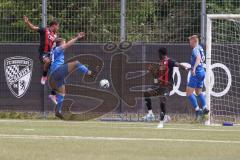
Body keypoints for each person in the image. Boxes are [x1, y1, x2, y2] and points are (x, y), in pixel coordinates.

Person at [49, 32, 99, 119]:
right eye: (64, 43)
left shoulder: (54, 51)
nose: (65, 44)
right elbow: (68, 44)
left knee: (62, 94)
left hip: (54, 75)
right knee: (76, 63)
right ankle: (90, 73)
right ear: (60, 44)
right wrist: (77, 38)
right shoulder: (57, 49)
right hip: (57, 71)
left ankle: (58, 111)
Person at [144, 47, 188, 128]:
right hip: (160, 86)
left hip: (168, 86)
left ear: (160, 54)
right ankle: (150, 114)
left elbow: (177, 64)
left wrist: (185, 68)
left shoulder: (169, 61)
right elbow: (157, 76)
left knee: (162, 100)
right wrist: (152, 72)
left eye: (158, 54)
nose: (158, 55)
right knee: (147, 92)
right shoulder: (160, 63)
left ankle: (161, 122)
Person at [23, 15, 59, 85]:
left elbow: (55, 45)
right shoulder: (44, 30)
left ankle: (54, 88)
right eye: (57, 26)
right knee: (47, 61)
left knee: (56, 68)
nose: (58, 28)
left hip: (50, 53)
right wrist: (27, 22)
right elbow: (33, 28)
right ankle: (44, 76)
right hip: (43, 53)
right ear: (54, 26)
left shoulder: (55, 35)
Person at [186, 35, 209, 120]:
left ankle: (197, 110)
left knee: (188, 93)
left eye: (190, 41)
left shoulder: (195, 49)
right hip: (202, 72)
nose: (189, 43)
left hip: (196, 73)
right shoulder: (200, 48)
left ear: (194, 41)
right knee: (198, 92)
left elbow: (198, 58)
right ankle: (205, 107)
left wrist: (194, 68)